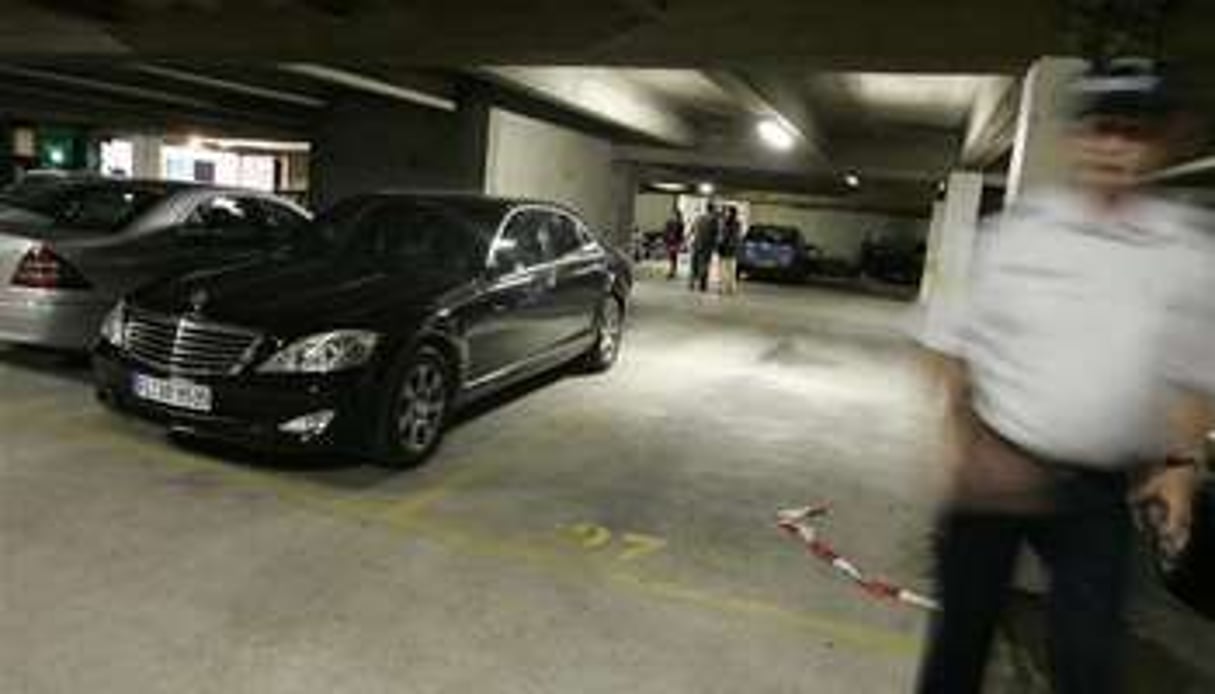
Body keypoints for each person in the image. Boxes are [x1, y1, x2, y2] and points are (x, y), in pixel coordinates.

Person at [916, 59, 1213, 694]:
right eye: (1103, 127)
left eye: (1135, 131)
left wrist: (1181, 466)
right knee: (959, 647)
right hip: (998, 474)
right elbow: (948, 346)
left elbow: (1197, 373)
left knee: (1087, 659)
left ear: (1165, 141)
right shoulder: (1019, 236)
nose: (1116, 145)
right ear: (1077, 137)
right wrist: (960, 446)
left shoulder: (1189, 254)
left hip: (1099, 495)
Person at [689, 203, 720, 292]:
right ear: (712, 209)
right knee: (704, 265)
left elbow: (692, 230)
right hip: (707, 246)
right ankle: (702, 285)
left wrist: (690, 238)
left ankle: (691, 283)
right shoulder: (714, 220)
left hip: (696, 244)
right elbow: (715, 234)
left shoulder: (699, 218)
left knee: (694, 264)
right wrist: (715, 246)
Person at [717, 206, 742, 294]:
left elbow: (723, 236)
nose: (727, 213)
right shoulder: (737, 224)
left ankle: (724, 288)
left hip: (726, 249)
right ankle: (731, 288)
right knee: (731, 270)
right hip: (731, 250)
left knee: (724, 270)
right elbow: (737, 237)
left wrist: (722, 243)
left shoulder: (726, 223)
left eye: (728, 212)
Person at [663, 210, 685, 280]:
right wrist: (666, 238)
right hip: (670, 242)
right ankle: (672, 270)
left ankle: (672, 271)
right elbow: (665, 231)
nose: (673, 216)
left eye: (675, 215)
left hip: (675, 242)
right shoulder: (669, 222)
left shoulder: (680, 223)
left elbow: (680, 234)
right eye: (673, 215)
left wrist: (680, 241)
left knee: (673, 256)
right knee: (672, 256)